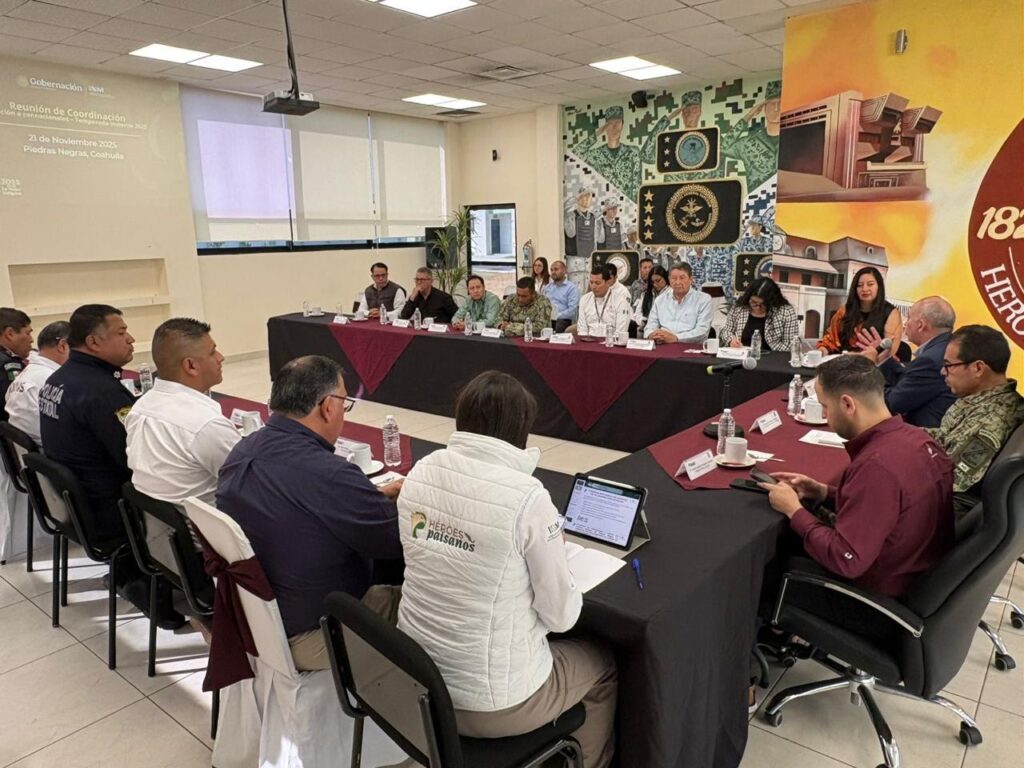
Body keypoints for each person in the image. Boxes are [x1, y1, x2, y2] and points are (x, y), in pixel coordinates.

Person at [396, 371, 617, 768]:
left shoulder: (422, 470)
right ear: (521, 427)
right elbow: (562, 618)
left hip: (417, 683)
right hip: (492, 706)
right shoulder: (527, 497)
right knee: (602, 665)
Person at [217, 356, 404, 671]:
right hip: (318, 632)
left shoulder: (242, 450)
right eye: (344, 403)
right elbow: (396, 542)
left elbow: (297, 501)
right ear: (328, 407)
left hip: (257, 619)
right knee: (433, 600)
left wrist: (367, 496)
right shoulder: (330, 474)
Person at [760, 355, 954, 634]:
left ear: (848, 404)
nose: (825, 417)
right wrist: (824, 492)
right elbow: (888, 508)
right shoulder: (918, 440)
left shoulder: (877, 466)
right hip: (916, 579)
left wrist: (794, 510)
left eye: (825, 407)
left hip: (875, 603)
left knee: (769, 562)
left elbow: (845, 559)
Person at [38, 305, 183, 627]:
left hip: (75, 504)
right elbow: (135, 459)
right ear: (93, 342)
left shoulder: (59, 379)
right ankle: (156, 584)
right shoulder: (100, 391)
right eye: (121, 332)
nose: (131, 339)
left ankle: (132, 574)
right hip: (109, 509)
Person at [125, 318, 239, 505]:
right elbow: (253, 481)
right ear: (191, 366)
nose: (220, 357)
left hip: (157, 520)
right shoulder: (206, 425)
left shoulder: (139, 408)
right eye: (212, 352)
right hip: (206, 520)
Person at [926, 325, 1024, 515]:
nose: (943, 372)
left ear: (978, 368)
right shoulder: (981, 400)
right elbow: (946, 437)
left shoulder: (992, 420)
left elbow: (950, 480)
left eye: (948, 365)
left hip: (944, 511)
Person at [854, 296, 956, 428]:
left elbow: (893, 403)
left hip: (924, 433)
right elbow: (909, 381)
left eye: (908, 318)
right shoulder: (946, 347)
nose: (904, 324)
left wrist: (869, 367)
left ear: (920, 325)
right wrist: (884, 360)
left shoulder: (930, 360)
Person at [5, 320, 69, 444]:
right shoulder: (55, 380)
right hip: (50, 449)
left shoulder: (25, 374)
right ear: (62, 346)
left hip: (29, 450)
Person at [818, 266, 903, 353]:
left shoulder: (891, 313)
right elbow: (830, 341)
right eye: (859, 285)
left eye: (870, 284)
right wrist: (822, 351)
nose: (864, 289)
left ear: (879, 286)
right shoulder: (844, 311)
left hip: (874, 360)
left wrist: (874, 350)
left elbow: (889, 352)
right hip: (843, 359)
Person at [719, 277, 799, 351]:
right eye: (753, 302)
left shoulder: (786, 312)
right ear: (748, 297)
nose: (757, 307)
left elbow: (790, 344)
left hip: (773, 357)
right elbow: (727, 331)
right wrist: (731, 340)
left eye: (763, 304)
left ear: (772, 302)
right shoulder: (739, 307)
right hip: (741, 354)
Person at [645, 263, 712, 344]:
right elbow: (650, 326)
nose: (677, 282)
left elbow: (702, 331)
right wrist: (652, 335)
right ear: (669, 280)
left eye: (682, 278)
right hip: (662, 345)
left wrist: (676, 338)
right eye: (674, 278)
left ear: (691, 279)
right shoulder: (660, 300)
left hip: (689, 347)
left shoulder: (703, 300)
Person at [577, 265, 631, 338]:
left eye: (597, 283)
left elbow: (620, 333)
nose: (593, 287)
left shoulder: (620, 301)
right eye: (591, 282)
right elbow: (582, 330)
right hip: (589, 341)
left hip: (611, 342)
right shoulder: (584, 299)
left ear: (608, 283)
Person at [0, 308, 33, 413]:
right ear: (10, 334)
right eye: (28, 333)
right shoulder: (8, 365)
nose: (31, 339)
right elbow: (15, 407)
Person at [564, 187, 596, 294]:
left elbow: (594, 239)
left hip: (588, 263)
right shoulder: (571, 215)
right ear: (578, 199)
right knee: (576, 295)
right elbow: (570, 233)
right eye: (585, 196)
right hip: (575, 265)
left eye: (589, 196)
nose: (587, 199)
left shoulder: (592, 217)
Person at [631, 265, 669, 336]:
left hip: (665, 331)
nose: (655, 284)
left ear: (665, 278)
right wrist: (642, 320)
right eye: (652, 282)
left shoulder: (671, 294)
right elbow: (637, 314)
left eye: (658, 281)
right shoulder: (646, 294)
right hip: (647, 330)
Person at [543, 260, 580, 333]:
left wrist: (556, 316)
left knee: (557, 326)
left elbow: (572, 311)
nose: (553, 272)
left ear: (564, 271)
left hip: (563, 319)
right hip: (547, 318)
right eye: (551, 270)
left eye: (556, 269)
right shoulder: (547, 287)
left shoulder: (571, 288)